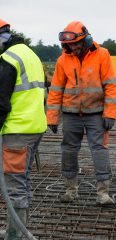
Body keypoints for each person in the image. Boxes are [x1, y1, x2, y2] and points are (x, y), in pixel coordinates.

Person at [0, 17, 47, 240]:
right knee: (22, 180)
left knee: (14, 185)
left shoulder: (7, 59)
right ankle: (16, 228)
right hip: (35, 126)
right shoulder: (30, 54)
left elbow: (1, 102)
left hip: (17, 131)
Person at [46, 21, 116, 205]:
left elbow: (110, 86)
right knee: (68, 151)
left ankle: (103, 193)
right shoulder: (63, 60)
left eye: (76, 44)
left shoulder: (102, 55)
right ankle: (71, 190)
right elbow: (55, 90)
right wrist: (52, 117)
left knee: (99, 151)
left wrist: (110, 114)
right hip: (70, 115)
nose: (74, 48)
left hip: (96, 114)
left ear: (86, 40)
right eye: (70, 45)